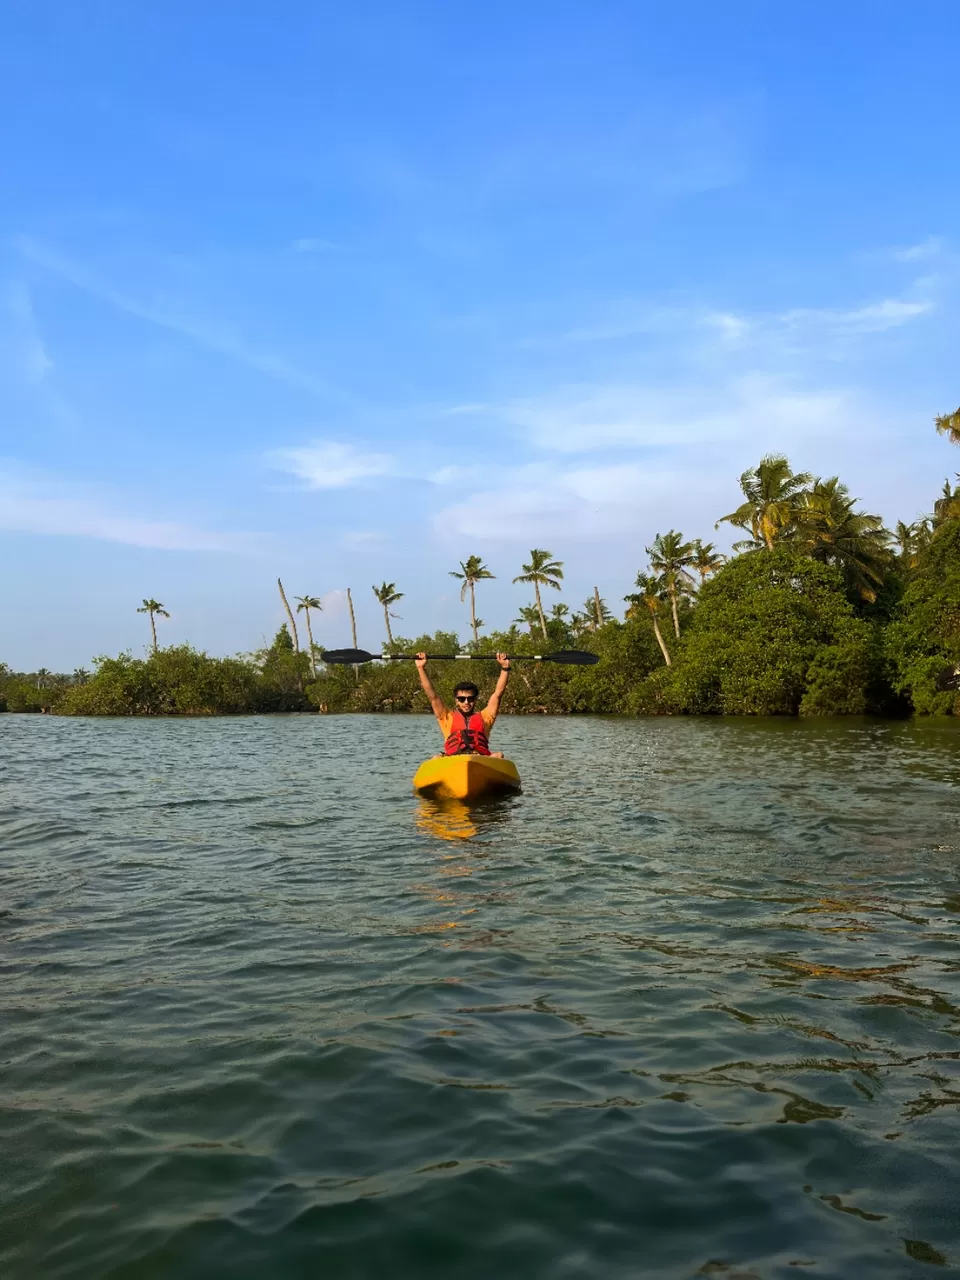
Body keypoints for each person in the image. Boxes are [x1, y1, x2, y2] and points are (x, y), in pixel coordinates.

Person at [415, 651, 511, 758]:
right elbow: (432, 696)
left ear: (475, 699)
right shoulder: (447, 717)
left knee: (498, 755)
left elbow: (498, 694)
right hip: (453, 759)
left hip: (480, 759)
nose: (466, 702)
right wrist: (420, 668)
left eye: (470, 699)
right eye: (462, 699)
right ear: (456, 700)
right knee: (436, 757)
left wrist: (505, 668)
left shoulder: (485, 717)